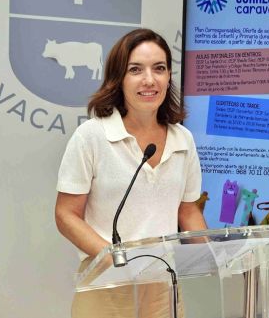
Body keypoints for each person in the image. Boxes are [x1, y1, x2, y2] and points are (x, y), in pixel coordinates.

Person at [55, 28, 207, 318]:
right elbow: (66, 214)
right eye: (136, 70)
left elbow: (188, 211)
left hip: (162, 280)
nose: (149, 80)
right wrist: (115, 258)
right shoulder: (92, 136)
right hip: (106, 281)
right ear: (118, 79)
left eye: (159, 69)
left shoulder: (183, 139)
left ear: (169, 77)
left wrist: (215, 255)